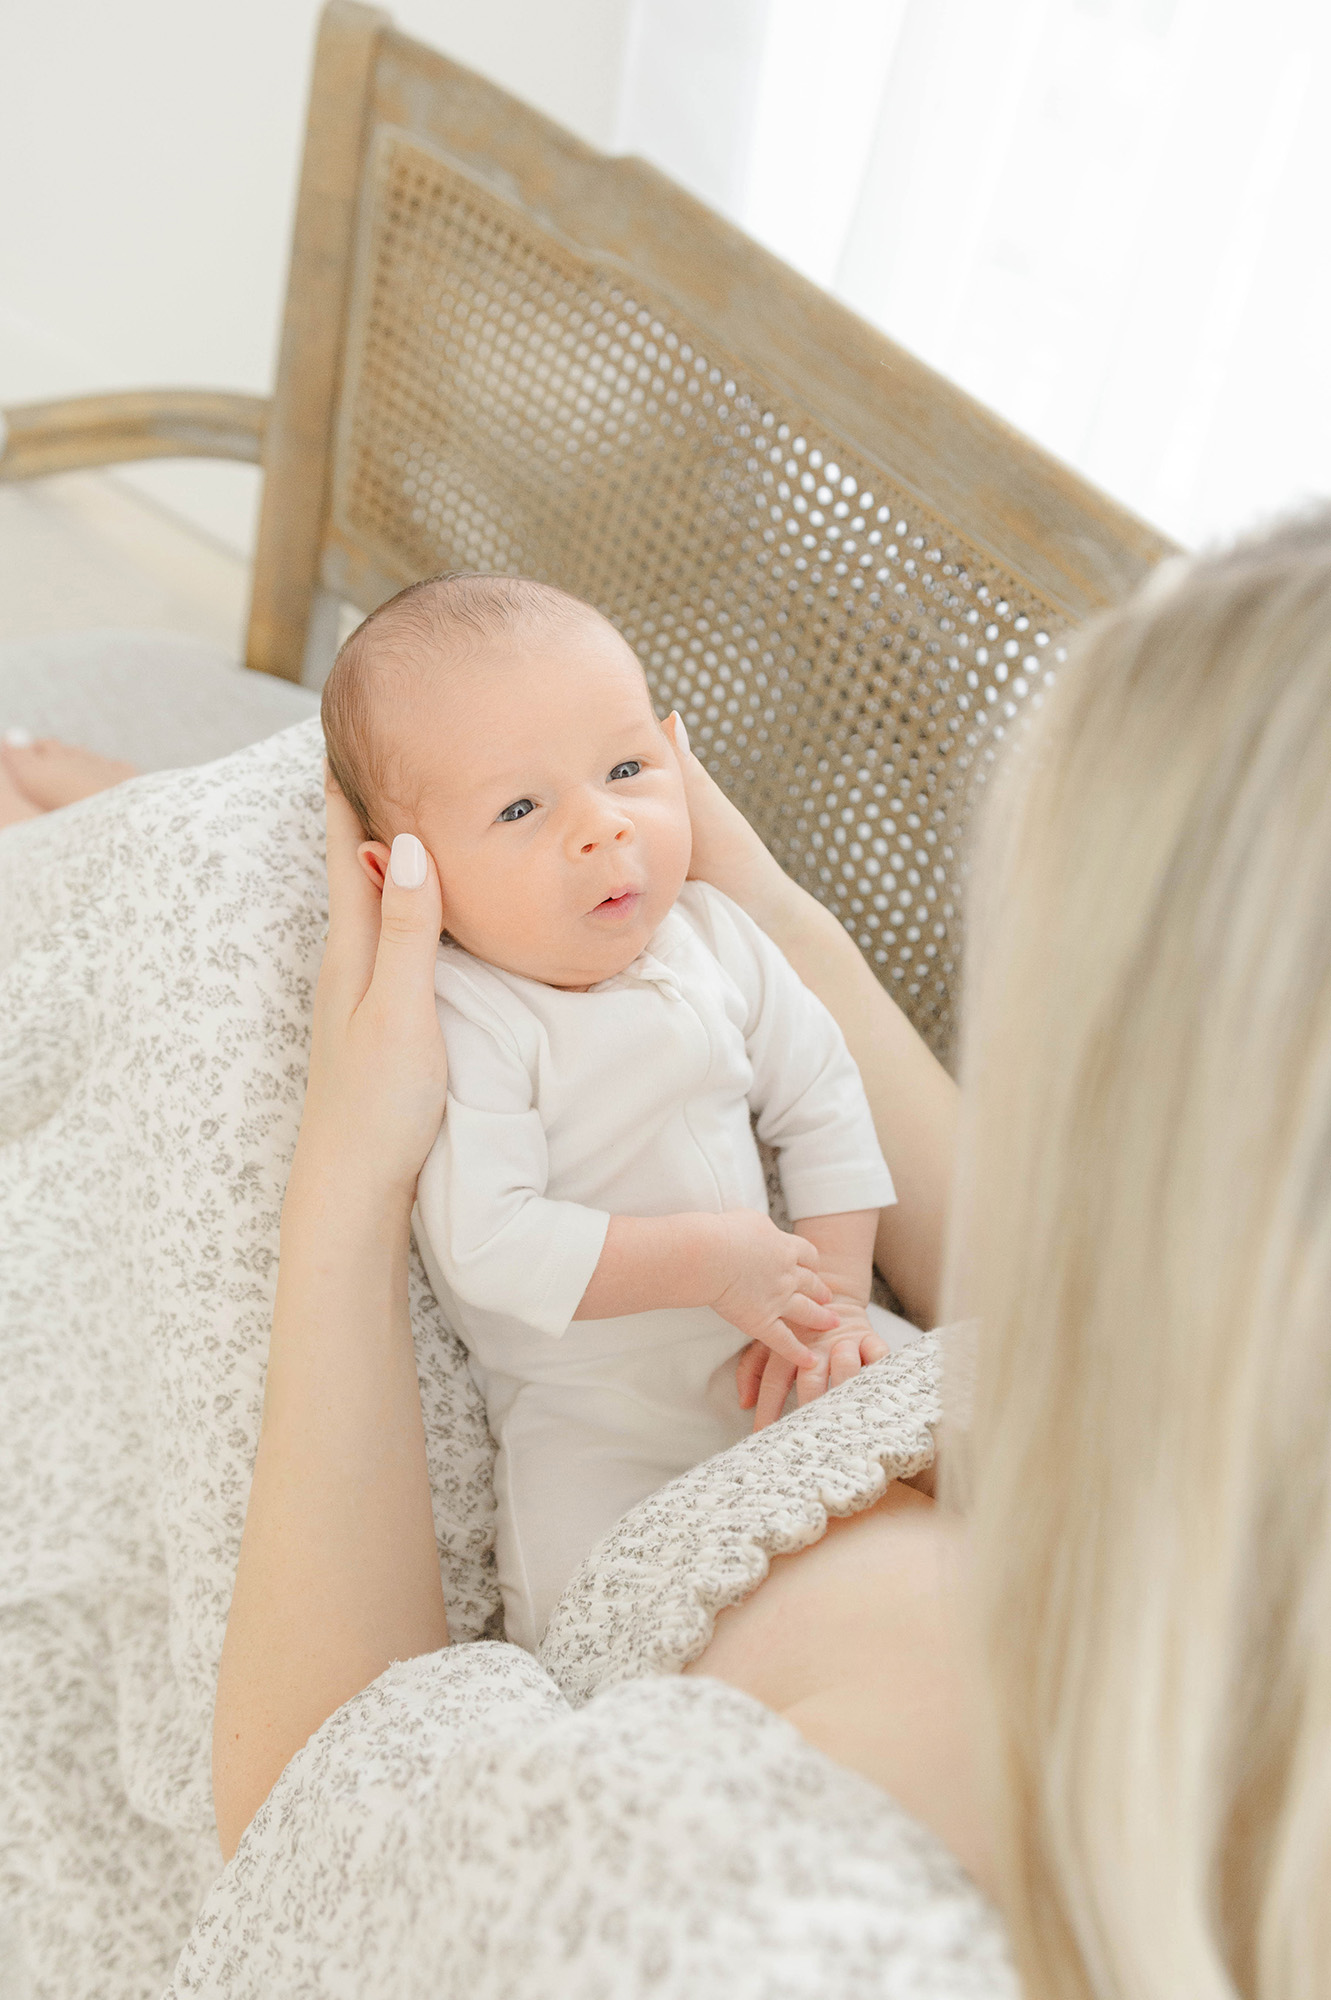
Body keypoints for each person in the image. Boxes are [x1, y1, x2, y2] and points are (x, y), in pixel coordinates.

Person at [20, 510, 1331, 1994]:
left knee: (247, 917)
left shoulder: (747, 1894)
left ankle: (115, 861)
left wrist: (347, 1176)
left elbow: (324, 1819)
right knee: (266, 859)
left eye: (629, 768)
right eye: (528, 806)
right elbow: (1070, 1288)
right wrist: (755, 905)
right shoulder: (1188, 1437)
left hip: (635, 1484)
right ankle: (132, 851)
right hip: (700, 1373)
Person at [319, 571, 899, 1647]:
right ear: (406, 872)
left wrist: (840, 1301)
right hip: (595, 1412)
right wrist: (709, 1259)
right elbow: (489, 1241)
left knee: (945, 1423)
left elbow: (824, 1102)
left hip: (782, 1336)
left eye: (626, 768)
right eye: (520, 807)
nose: (602, 826)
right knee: (596, 1603)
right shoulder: (470, 1015)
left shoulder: (717, 937)